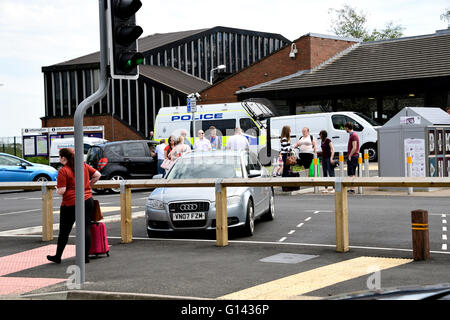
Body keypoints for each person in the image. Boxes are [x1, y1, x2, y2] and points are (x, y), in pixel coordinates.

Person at [47, 148, 101, 264]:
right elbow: (97, 175)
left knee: (64, 231)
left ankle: (58, 256)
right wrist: (88, 186)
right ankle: (85, 257)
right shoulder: (83, 166)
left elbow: (62, 190)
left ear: (63, 158)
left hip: (70, 203)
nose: (59, 158)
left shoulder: (63, 171)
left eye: (59, 156)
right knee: (85, 228)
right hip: (87, 200)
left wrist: (57, 189)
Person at [345, 122, 360, 193]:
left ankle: (352, 188)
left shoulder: (353, 135)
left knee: (352, 173)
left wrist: (350, 156)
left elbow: (354, 147)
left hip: (353, 156)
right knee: (351, 172)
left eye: (345, 127)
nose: (345, 129)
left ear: (347, 128)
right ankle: (351, 188)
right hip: (353, 156)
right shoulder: (352, 135)